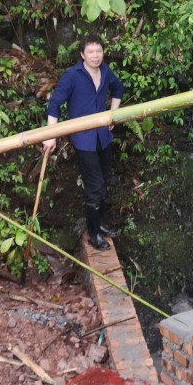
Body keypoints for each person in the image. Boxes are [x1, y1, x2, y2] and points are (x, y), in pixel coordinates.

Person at [42, 35, 125, 250]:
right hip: (84, 139)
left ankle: (100, 224)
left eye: (99, 51)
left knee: (102, 181)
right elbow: (55, 104)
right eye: (91, 52)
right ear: (82, 55)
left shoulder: (105, 71)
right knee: (94, 186)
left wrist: (112, 115)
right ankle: (93, 233)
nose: (95, 56)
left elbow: (118, 88)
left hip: (103, 137)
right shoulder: (72, 76)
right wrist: (50, 135)